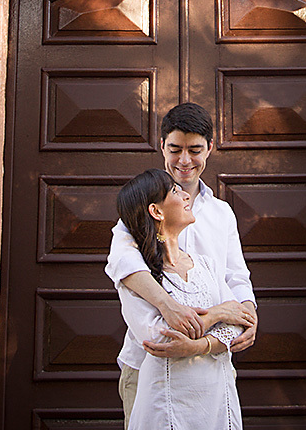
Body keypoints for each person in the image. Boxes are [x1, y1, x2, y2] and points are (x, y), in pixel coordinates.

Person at [106, 102, 258, 427]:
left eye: (194, 150)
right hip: (147, 363)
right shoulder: (140, 206)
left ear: (210, 148)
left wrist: (247, 315)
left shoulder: (221, 213)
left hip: (212, 363)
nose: (184, 160)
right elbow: (122, 262)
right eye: (175, 149)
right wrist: (168, 305)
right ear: (162, 146)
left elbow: (235, 276)